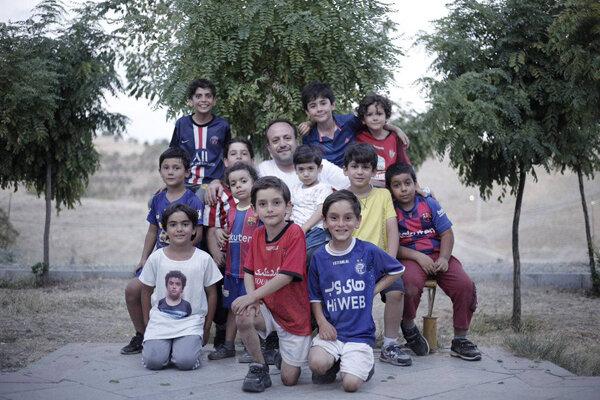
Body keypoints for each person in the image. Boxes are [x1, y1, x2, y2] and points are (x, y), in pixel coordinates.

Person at [308, 190, 405, 392]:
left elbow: (397, 270)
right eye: (334, 218)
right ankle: (336, 361)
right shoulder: (319, 257)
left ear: (358, 221)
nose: (341, 224)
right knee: (316, 364)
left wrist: (373, 290)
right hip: (332, 333)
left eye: (348, 218)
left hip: (359, 335)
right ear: (325, 222)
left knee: (350, 385)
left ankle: (362, 365)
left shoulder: (367, 251)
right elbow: (315, 296)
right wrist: (322, 322)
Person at [386, 163, 481, 361]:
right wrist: (418, 256)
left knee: (465, 286)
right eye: (396, 185)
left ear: (415, 184)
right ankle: (409, 326)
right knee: (409, 285)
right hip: (410, 257)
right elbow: (392, 245)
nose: (403, 189)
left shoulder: (429, 203)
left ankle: (460, 339)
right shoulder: (390, 210)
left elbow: (447, 233)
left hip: (439, 255)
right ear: (390, 189)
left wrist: (445, 258)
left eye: (407, 183)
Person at [120, 148, 204, 355]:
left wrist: (184, 252)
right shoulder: (158, 199)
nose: (170, 172)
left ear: (187, 172)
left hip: (183, 261)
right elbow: (152, 231)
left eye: (176, 167)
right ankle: (142, 334)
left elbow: (199, 232)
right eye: (165, 168)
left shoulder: (193, 200)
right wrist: (143, 259)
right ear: (160, 171)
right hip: (159, 260)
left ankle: (179, 336)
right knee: (133, 290)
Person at [232, 177, 311, 393]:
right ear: (254, 210)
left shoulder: (295, 233)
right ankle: (259, 366)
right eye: (263, 204)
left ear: (288, 206)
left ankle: (276, 344)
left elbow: (286, 276)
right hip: (268, 308)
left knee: (289, 379)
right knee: (243, 314)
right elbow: (249, 271)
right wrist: (253, 299)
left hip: (294, 316)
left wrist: (251, 296)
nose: (270, 209)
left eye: (276, 203)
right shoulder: (257, 235)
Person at [343, 143, 412, 366]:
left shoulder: (383, 195)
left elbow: (391, 229)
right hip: (349, 263)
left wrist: (390, 262)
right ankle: (345, 341)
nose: (360, 172)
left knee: (396, 293)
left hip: (380, 262)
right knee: (346, 299)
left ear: (374, 172)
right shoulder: (342, 197)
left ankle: (390, 344)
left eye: (366, 167)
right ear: (346, 170)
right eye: (355, 166)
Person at [139, 204, 222, 370]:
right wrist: (148, 323)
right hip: (160, 321)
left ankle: (182, 348)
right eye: (173, 224)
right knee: (153, 362)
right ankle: (165, 347)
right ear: (165, 229)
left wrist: (206, 328)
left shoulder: (204, 259)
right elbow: (146, 291)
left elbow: (212, 294)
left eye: (185, 224)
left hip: (190, 322)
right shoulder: (156, 258)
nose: (179, 229)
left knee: (186, 362)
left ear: (193, 230)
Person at [208, 162, 261, 361]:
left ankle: (251, 347)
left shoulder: (258, 211)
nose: (239, 186)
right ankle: (228, 345)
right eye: (233, 183)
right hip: (231, 271)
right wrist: (220, 232)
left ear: (254, 182)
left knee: (250, 310)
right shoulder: (229, 210)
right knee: (233, 308)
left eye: (244, 181)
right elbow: (220, 229)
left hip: (251, 274)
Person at [299, 81, 408, 168]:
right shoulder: (308, 137)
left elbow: (372, 122)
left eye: (323, 103)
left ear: (333, 105)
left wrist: (396, 129)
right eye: (313, 106)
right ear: (307, 112)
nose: (319, 109)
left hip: (356, 181)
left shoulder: (349, 122)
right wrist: (310, 123)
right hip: (330, 188)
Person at [169, 78, 231, 199]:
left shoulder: (222, 126)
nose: (203, 100)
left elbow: (228, 157)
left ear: (214, 101)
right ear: (191, 101)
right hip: (185, 183)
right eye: (198, 96)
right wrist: (170, 184)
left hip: (211, 183)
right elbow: (172, 155)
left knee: (197, 200)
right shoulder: (182, 124)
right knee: (154, 201)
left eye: (208, 96)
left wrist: (222, 180)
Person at [257, 119, 349, 190]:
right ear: (269, 148)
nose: (282, 144)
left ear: (297, 142)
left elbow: (351, 184)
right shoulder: (263, 170)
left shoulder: (318, 164)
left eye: (287, 138)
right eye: (275, 141)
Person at [355, 93, 411, 187]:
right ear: (363, 119)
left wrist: (416, 186)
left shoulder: (394, 137)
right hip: (367, 187)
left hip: (391, 187)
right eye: (369, 114)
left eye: (379, 114)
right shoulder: (359, 137)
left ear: (386, 116)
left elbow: (405, 164)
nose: (375, 118)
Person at [291, 144, 333, 259]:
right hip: (295, 230)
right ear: (295, 170)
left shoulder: (323, 188)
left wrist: (304, 228)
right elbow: (291, 207)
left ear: (319, 168)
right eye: (301, 169)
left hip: (315, 230)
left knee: (310, 255)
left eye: (310, 168)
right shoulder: (295, 188)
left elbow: (321, 211)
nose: (306, 174)